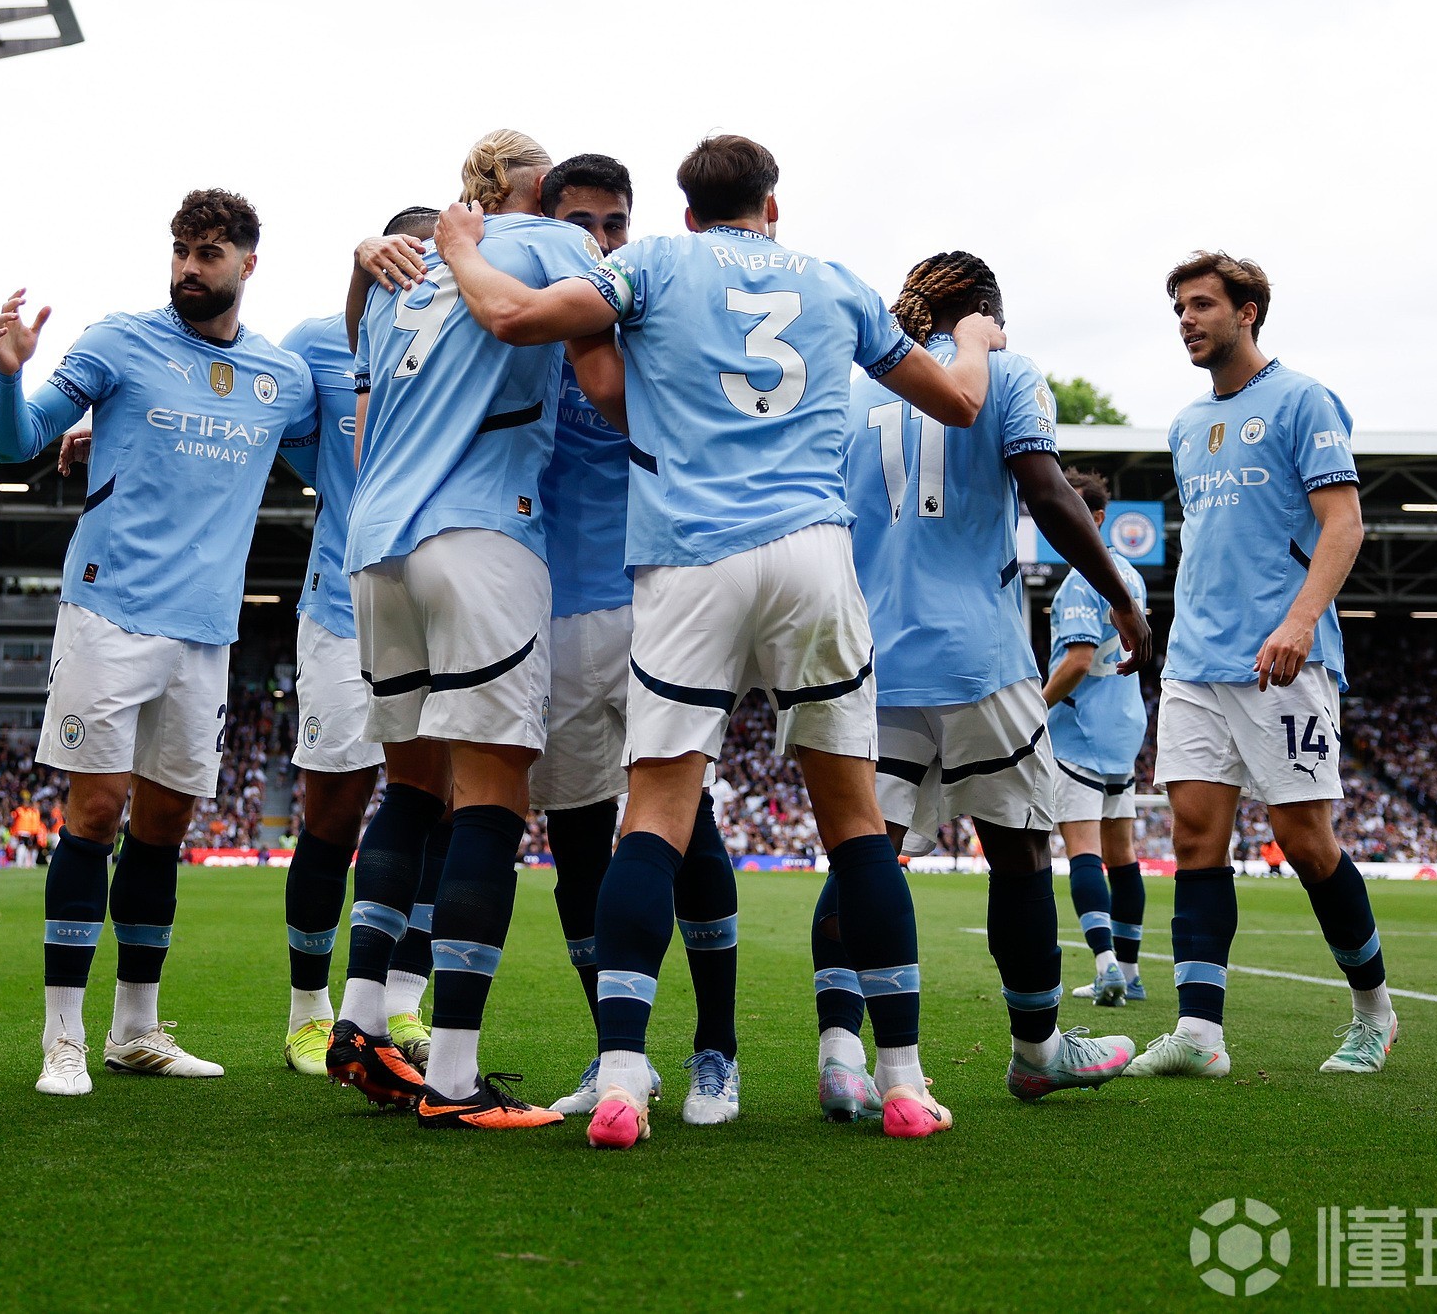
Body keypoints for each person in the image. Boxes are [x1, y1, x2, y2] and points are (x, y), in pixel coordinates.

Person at [433, 132, 997, 1147]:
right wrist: (978, 340)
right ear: (771, 206)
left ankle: (617, 1079)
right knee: (856, 823)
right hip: (812, 555)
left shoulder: (652, 260)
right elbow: (957, 401)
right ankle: (904, 1081)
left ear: (687, 212)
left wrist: (459, 242)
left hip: (688, 557)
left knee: (651, 812)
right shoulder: (831, 280)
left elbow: (515, 317)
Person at [0, 188, 316, 1096]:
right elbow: (16, 440)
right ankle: (63, 1037)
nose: (188, 267)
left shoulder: (282, 379)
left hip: (207, 632)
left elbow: (341, 453)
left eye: (209, 252)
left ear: (249, 262)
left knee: (164, 829)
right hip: (110, 613)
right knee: (94, 815)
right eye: (180, 249)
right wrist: (13, 373)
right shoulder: (118, 341)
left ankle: (136, 1028)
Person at [339, 130, 601, 1132]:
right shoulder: (543, 246)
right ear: (540, 191)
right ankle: (451, 1076)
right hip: (481, 534)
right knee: (490, 804)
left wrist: (362, 249)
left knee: (408, 791)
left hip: (376, 548)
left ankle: (361, 1021)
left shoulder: (403, 275)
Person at [842, 252, 1147, 1109]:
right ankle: (1036, 1047)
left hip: (874, 659)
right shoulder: (1008, 370)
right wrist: (1122, 599)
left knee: (867, 855)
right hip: (980, 657)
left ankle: (839, 1054)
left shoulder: (860, 385)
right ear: (981, 308)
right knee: (1018, 852)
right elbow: (1048, 492)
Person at [1124, 252, 1393, 1079]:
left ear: (1247, 312)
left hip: (1281, 660)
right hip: (1196, 663)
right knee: (1196, 839)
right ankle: (1200, 1034)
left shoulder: (1303, 399)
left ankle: (1374, 1014)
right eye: (1178, 308)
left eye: (1202, 304)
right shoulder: (1182, 425)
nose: (1187, 320)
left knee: (1305, 841)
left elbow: (1342, 524)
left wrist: (1301, 621)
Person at [519, 155, 743, 1126]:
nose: (600, 241)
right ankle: (622, 1053)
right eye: (580, 224)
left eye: (614, 222)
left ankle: (717, 1049)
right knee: (575, 844)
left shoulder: (662, 321)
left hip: (662, 598)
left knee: (684, 824)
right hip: (553, 617)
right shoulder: (523, 333)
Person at [260, 208, 446, 1079]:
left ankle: (404, 1004)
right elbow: (259, 419)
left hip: (451, 604)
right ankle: (308, 1011)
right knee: (333, 815)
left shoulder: (470, 330)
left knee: (445, 808)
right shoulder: (313, 344)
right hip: (342, 607)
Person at [1046, 469, 1153, 1008]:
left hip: (1080, 733)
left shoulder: (1079, 580)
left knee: (1084, 849)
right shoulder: (1129, 575)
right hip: (1124, 729)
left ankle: (1107, 966)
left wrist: (1033, 709)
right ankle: (1130, 973)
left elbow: (1079, 659)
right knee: (1124, 853)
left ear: (1097, 518)